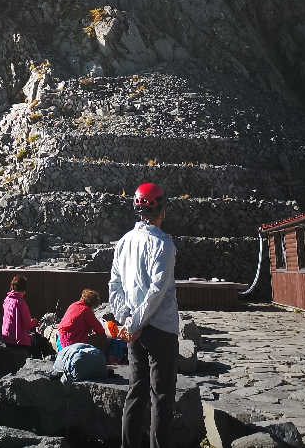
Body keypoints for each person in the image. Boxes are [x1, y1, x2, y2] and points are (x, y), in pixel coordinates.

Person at [109, 182, 178, 448]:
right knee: (161, 397)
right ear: (162, 209)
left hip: (134, 332)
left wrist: (127, 320)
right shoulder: (164, 244)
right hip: (160, 329)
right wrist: (136, 322)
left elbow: (114, 284)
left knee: (135, 392)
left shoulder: (124, 242)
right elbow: (156, 292)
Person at [1, 273, 38, 347]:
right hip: (18, 341)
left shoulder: (7, 300)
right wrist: (34, 322)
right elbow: (27, 325)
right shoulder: (20, 302)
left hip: (6, 338)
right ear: (24, 289)